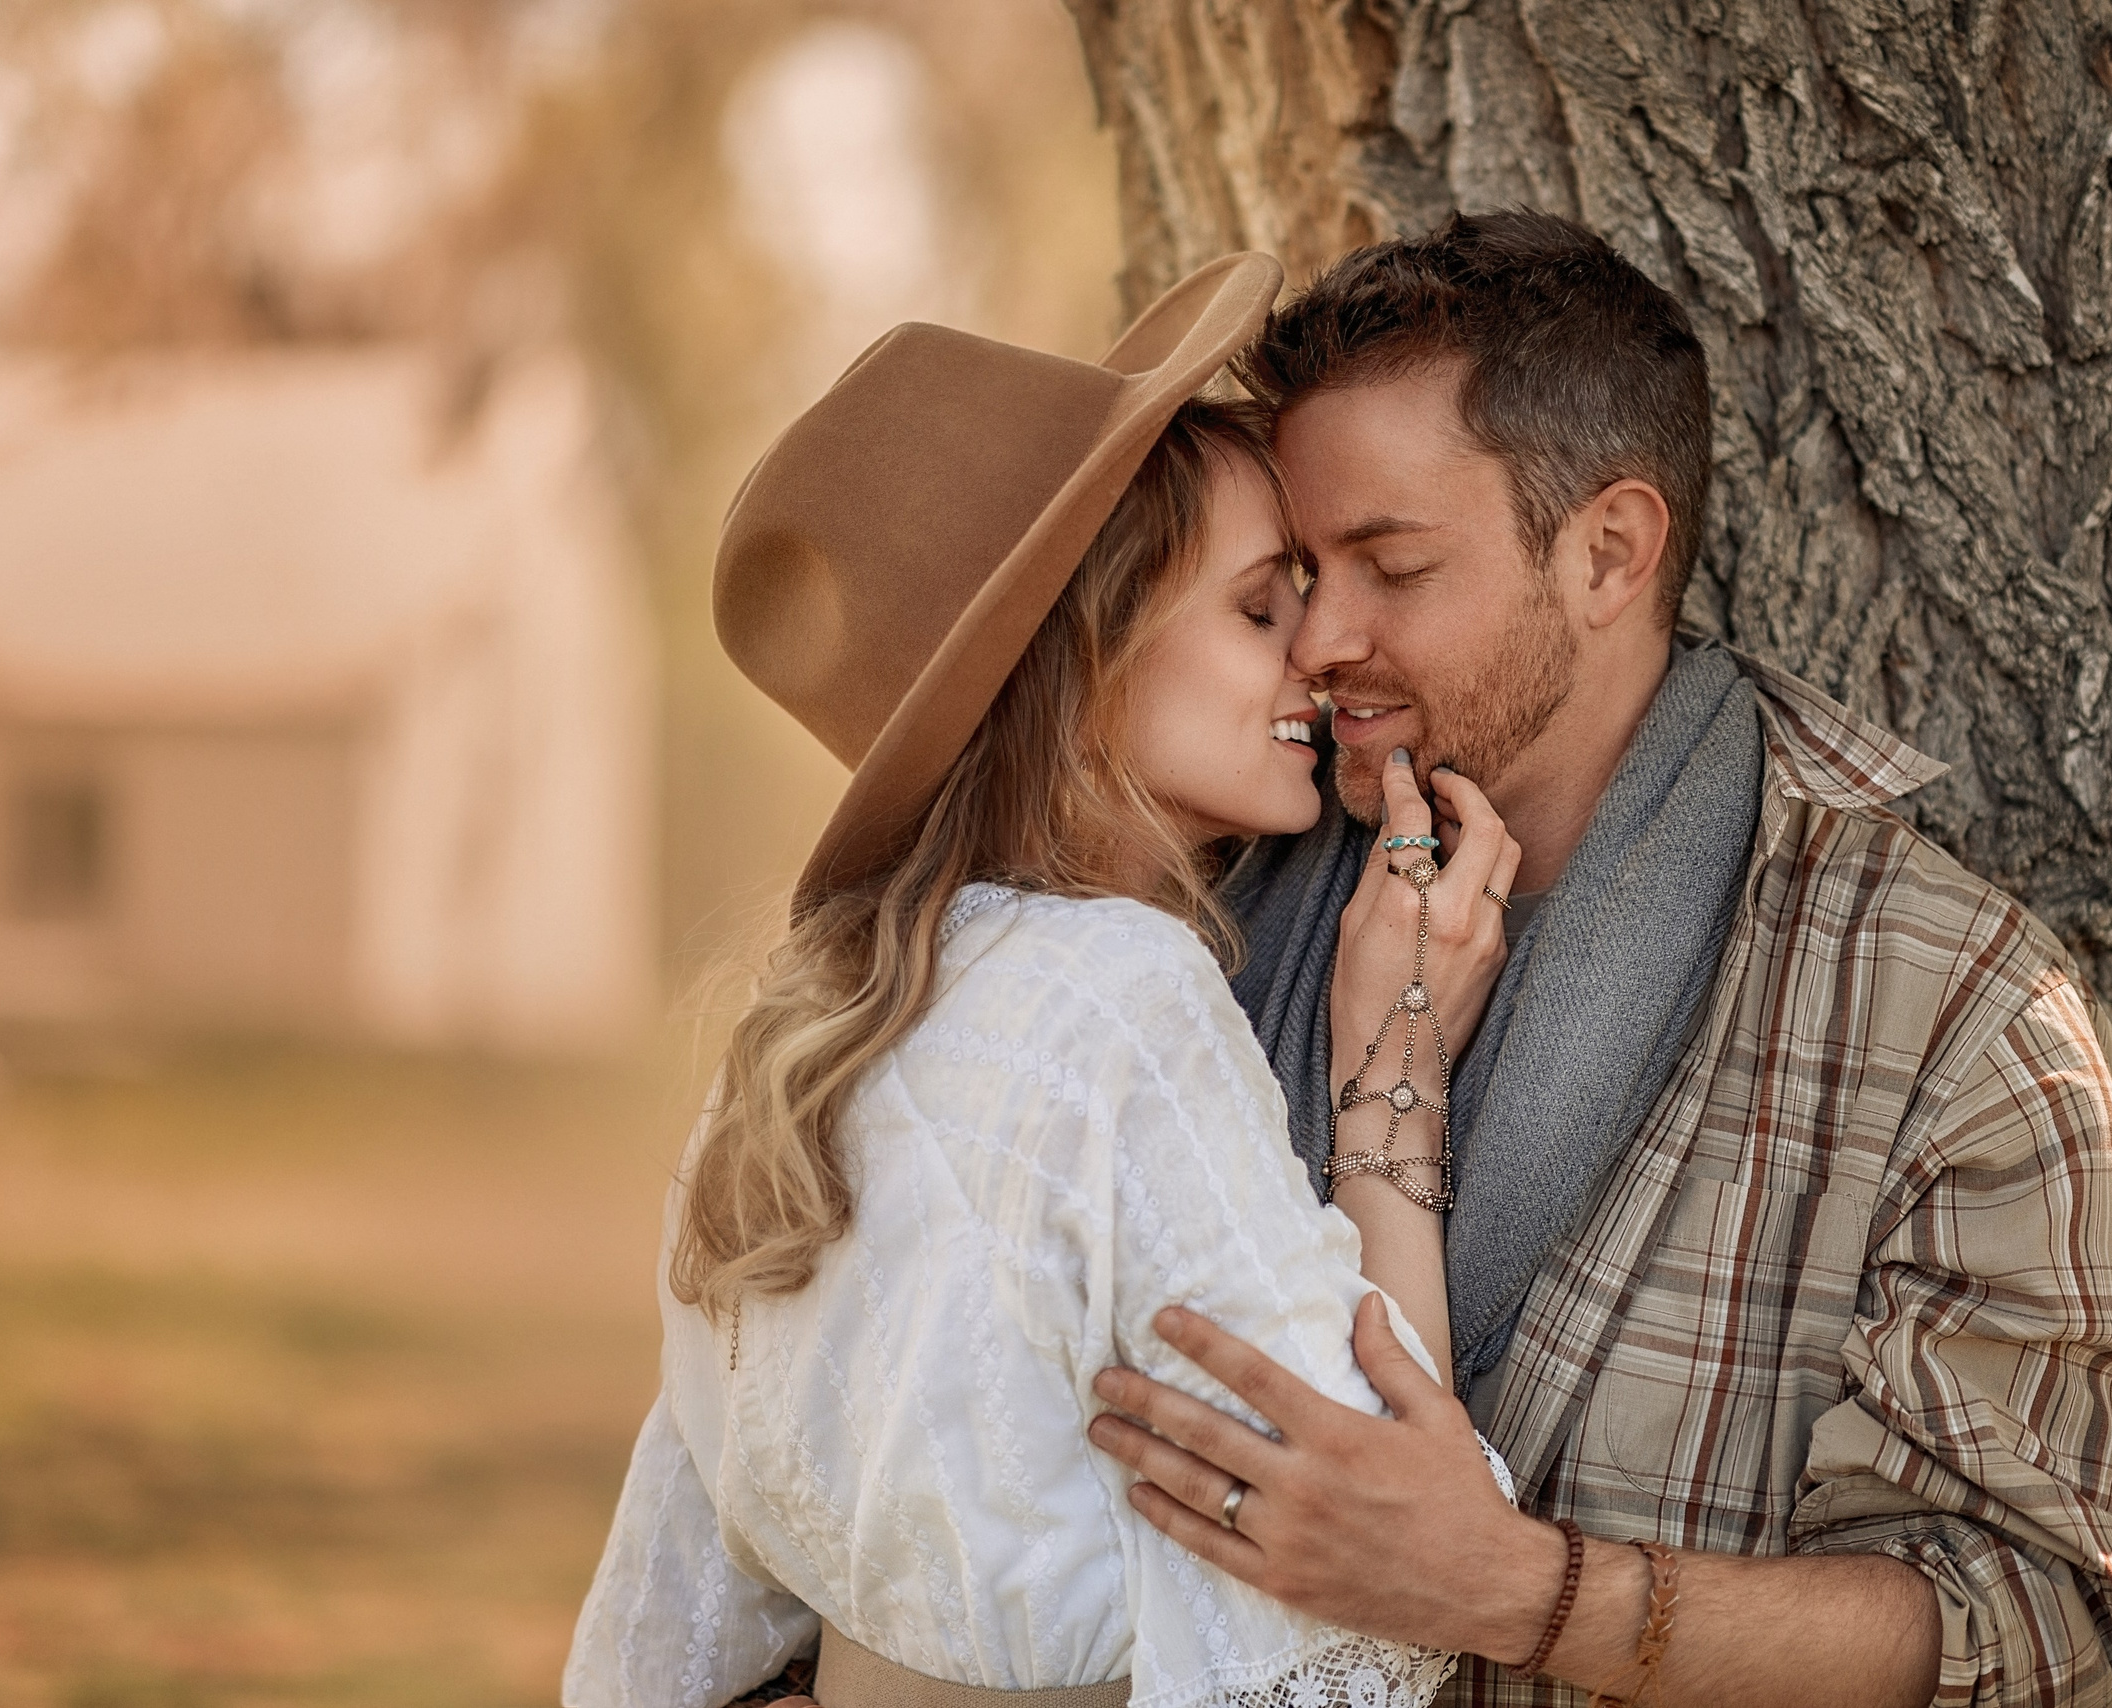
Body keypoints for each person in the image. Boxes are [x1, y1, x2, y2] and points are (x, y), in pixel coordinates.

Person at [1083, 213, 2112, 1708]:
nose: (1320, 639)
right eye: (1294, 574)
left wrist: (1513, 1591)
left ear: (1608, 553)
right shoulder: (1186, 902)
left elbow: (2038, 1628)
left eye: (1390, 565)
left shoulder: (1945, 1011)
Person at [562, 253, 1527, 1708]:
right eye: (1264, 607)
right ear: (1085, 675)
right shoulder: (1115, 997)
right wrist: (1391, 1065)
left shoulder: (810, 1028)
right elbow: (1365, 1552)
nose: (1320, 656)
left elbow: (675, 1599)